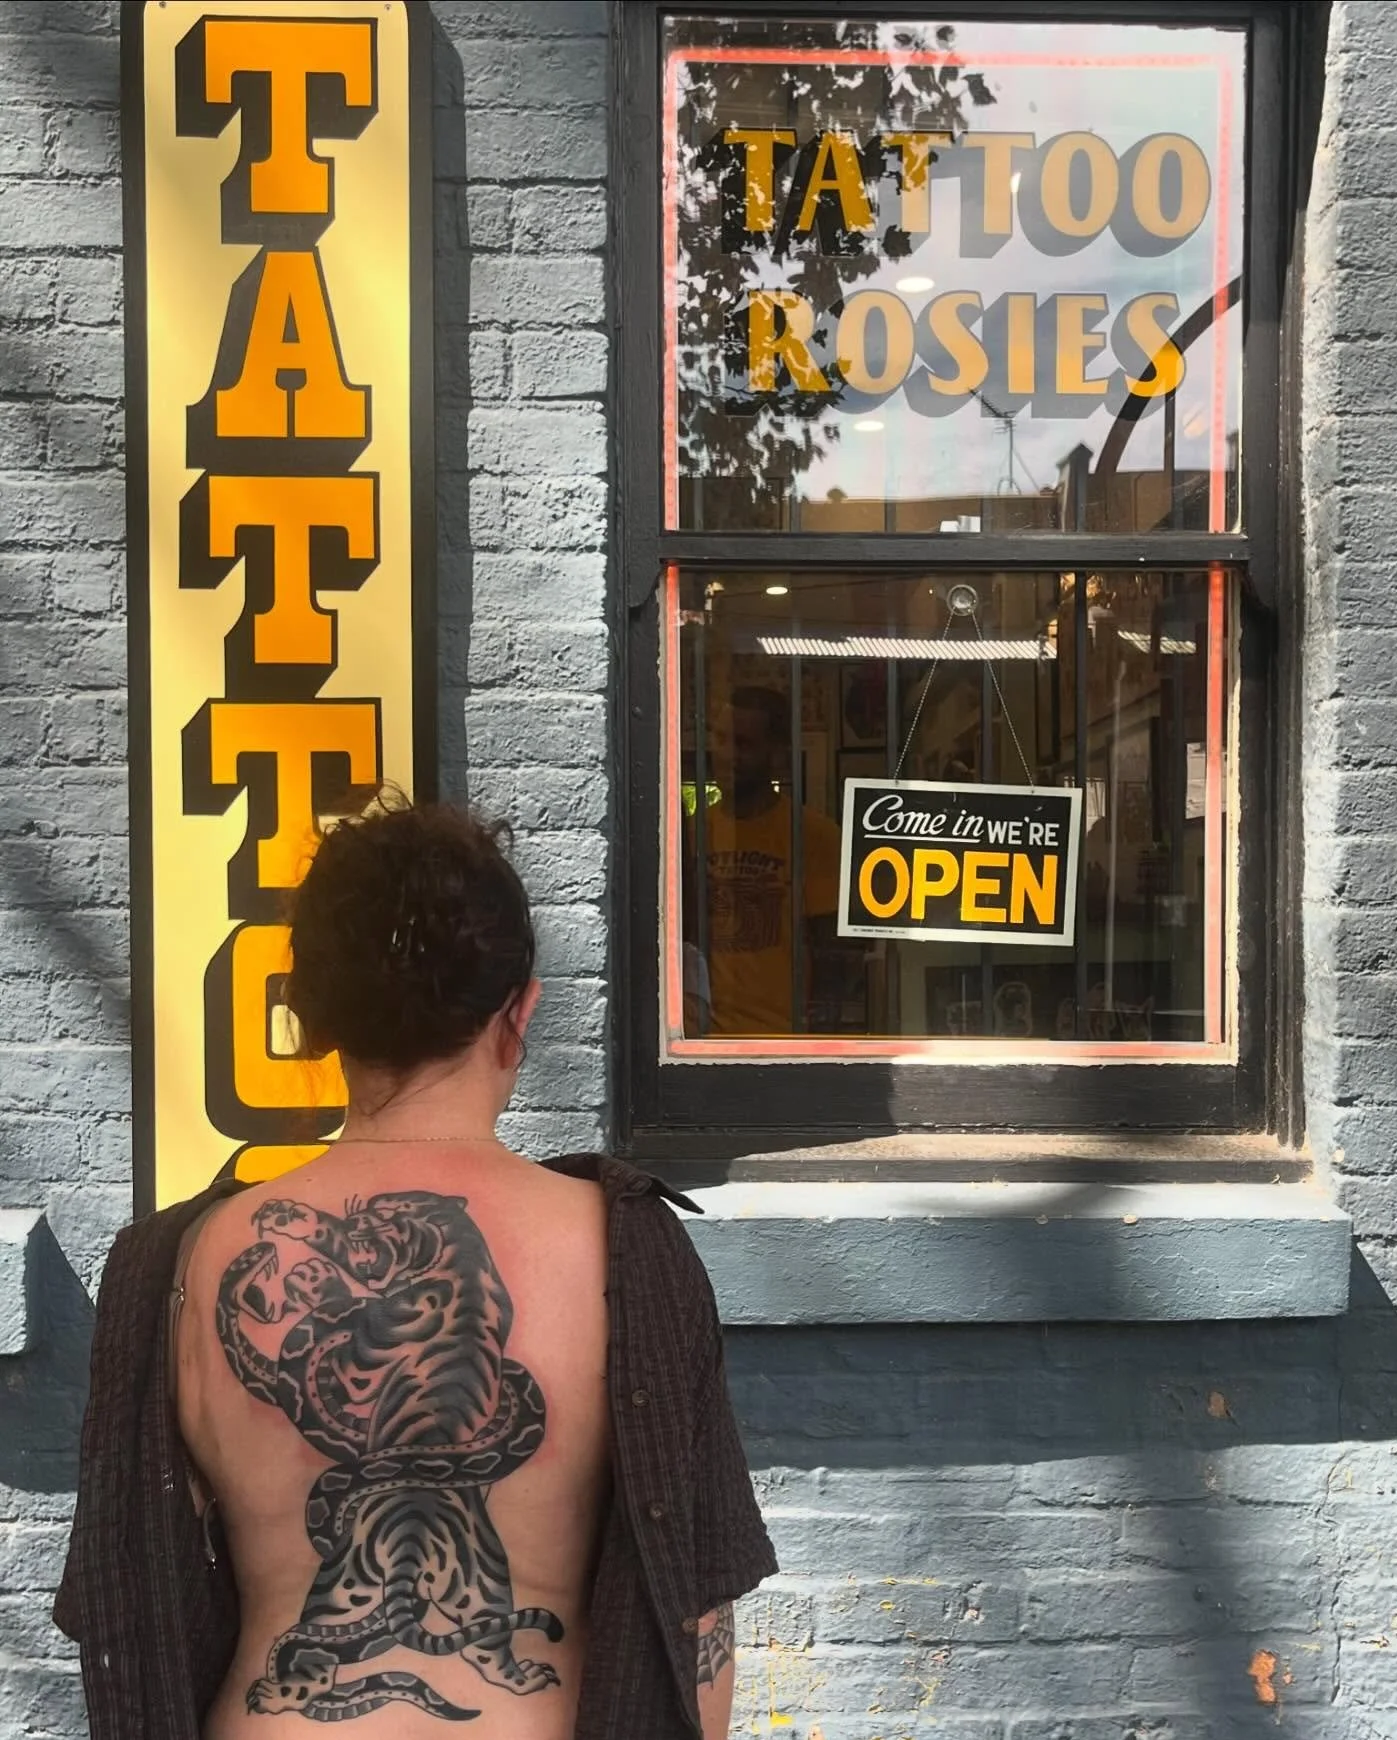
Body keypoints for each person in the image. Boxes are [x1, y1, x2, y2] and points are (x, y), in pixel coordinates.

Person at [55, 797, 775, 1740]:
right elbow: (695, 1611)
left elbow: (124, 1604)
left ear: (309, 1016)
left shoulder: (176, 1263)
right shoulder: (620, 1249)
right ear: (520, 1007)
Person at [689, 685, 843, 1035]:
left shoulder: (814, 836)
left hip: (780, 1041)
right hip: (693, 1043)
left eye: (744, 744)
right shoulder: (687, 833)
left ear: (776, 754)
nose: (728, 754)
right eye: (721, 738)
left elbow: (833, 957)